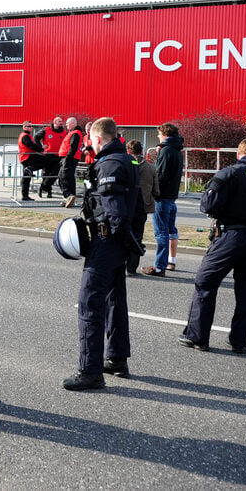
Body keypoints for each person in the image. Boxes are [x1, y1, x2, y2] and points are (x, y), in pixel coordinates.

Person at [178, 138, 246, 353]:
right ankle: (239, 340)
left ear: (239, 154)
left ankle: (197, 337)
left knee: (205, 283)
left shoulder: (229, 173)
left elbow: (208, 206)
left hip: (230, 235)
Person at [63, 117, 140, 390]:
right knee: (114, 301)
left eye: (90, 140)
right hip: (117, 243)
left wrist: (118, 240)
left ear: (97, 138)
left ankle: (90, 371)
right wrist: (131, 244)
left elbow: (115, 211)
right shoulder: (128, 160)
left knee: (89, 304)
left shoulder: (109, 163)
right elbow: (139, 206)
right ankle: (117, 359)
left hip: (107, 241)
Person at [143, 123, 184, 277]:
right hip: (171, 196)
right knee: (171, 230)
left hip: (163, 196)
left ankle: (159, 267)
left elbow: (162, 174)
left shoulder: (166, 150)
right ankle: (170, 260)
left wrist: (153, 191)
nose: (158, 136)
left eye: (159, 133)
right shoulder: (177, 149)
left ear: (165, 134)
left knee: (161, 232)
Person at [126, 140, 160, 276]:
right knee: (137, 235)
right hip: (143, 205)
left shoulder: (125, 164)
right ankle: (132, 268)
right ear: (142, 151)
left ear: (128, 151)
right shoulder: (151, 168)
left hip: (127, 205)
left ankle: (121, 264)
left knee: (123, 233)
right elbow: (156, 190)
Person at [38, 116, 67, 197]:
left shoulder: (64, 132)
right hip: (48, 155)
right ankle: (48, 192)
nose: (61, 123)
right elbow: (36, 137)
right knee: (46, 174)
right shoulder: (46, 130)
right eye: (59, 121)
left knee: (55, 174)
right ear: (54, 122)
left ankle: (43, 187)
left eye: (61, 121)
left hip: (58, 156)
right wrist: (40, 148)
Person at [17, 121, 46, 201]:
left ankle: (25, 196)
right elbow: (30, 145)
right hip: (27, 157)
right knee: (45, 161)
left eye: (31, 126)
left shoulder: (25, 135)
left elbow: (32, 145)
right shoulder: (25, 136)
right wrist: (41, 150)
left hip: (25, 157)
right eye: (29, 126)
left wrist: (41, 147)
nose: (31, 127)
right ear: (24, 127)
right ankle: (30, 168)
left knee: (26, 178)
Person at [57, 117, 82, 207]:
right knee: (64, 177)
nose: (66, 125)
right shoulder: (72, 133)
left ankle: (69, 196)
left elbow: (73, 147)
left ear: (73, 123)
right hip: (68, 158)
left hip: (69, 158)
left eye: (68, 123)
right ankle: (68, 197)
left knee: (65, 177)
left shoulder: (75, 133)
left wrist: (68, 157)